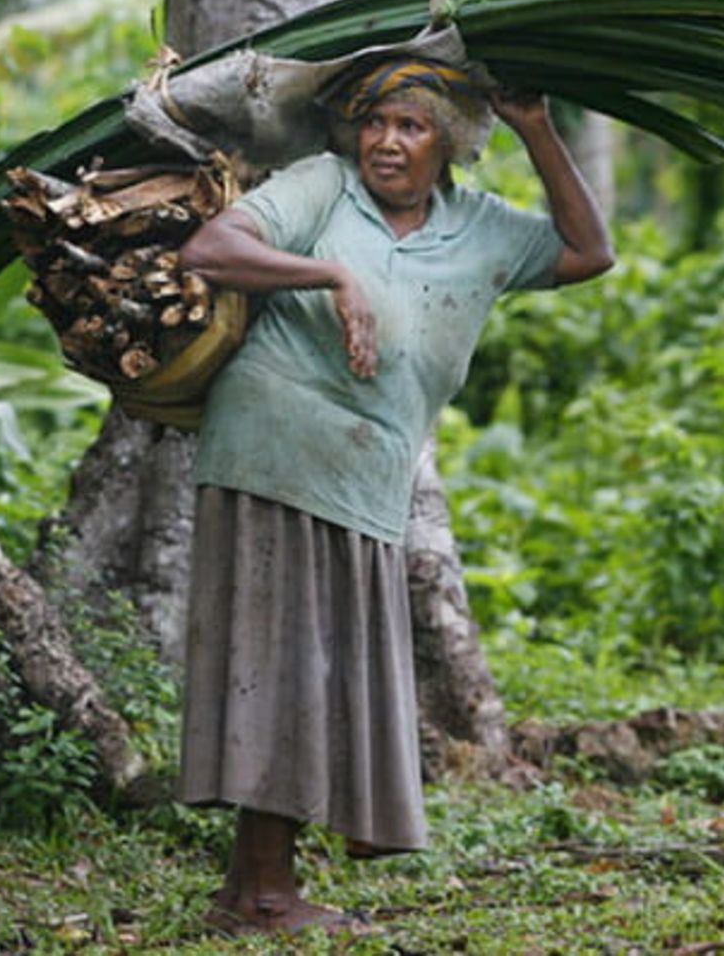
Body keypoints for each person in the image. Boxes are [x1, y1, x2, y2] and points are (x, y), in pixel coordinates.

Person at [175, 56, 613, 936]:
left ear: (445, 147)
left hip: (366, 475)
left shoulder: (481, 227)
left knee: (313, 673)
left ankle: (250, 889)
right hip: (273, 448)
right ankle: (263, 896)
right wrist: (331, 278)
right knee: (282, 670)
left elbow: (588, 251)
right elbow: (210, 248)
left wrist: (534, 127)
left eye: (411, 127)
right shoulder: (324, 187)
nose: (386, 141)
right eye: (375, 123)